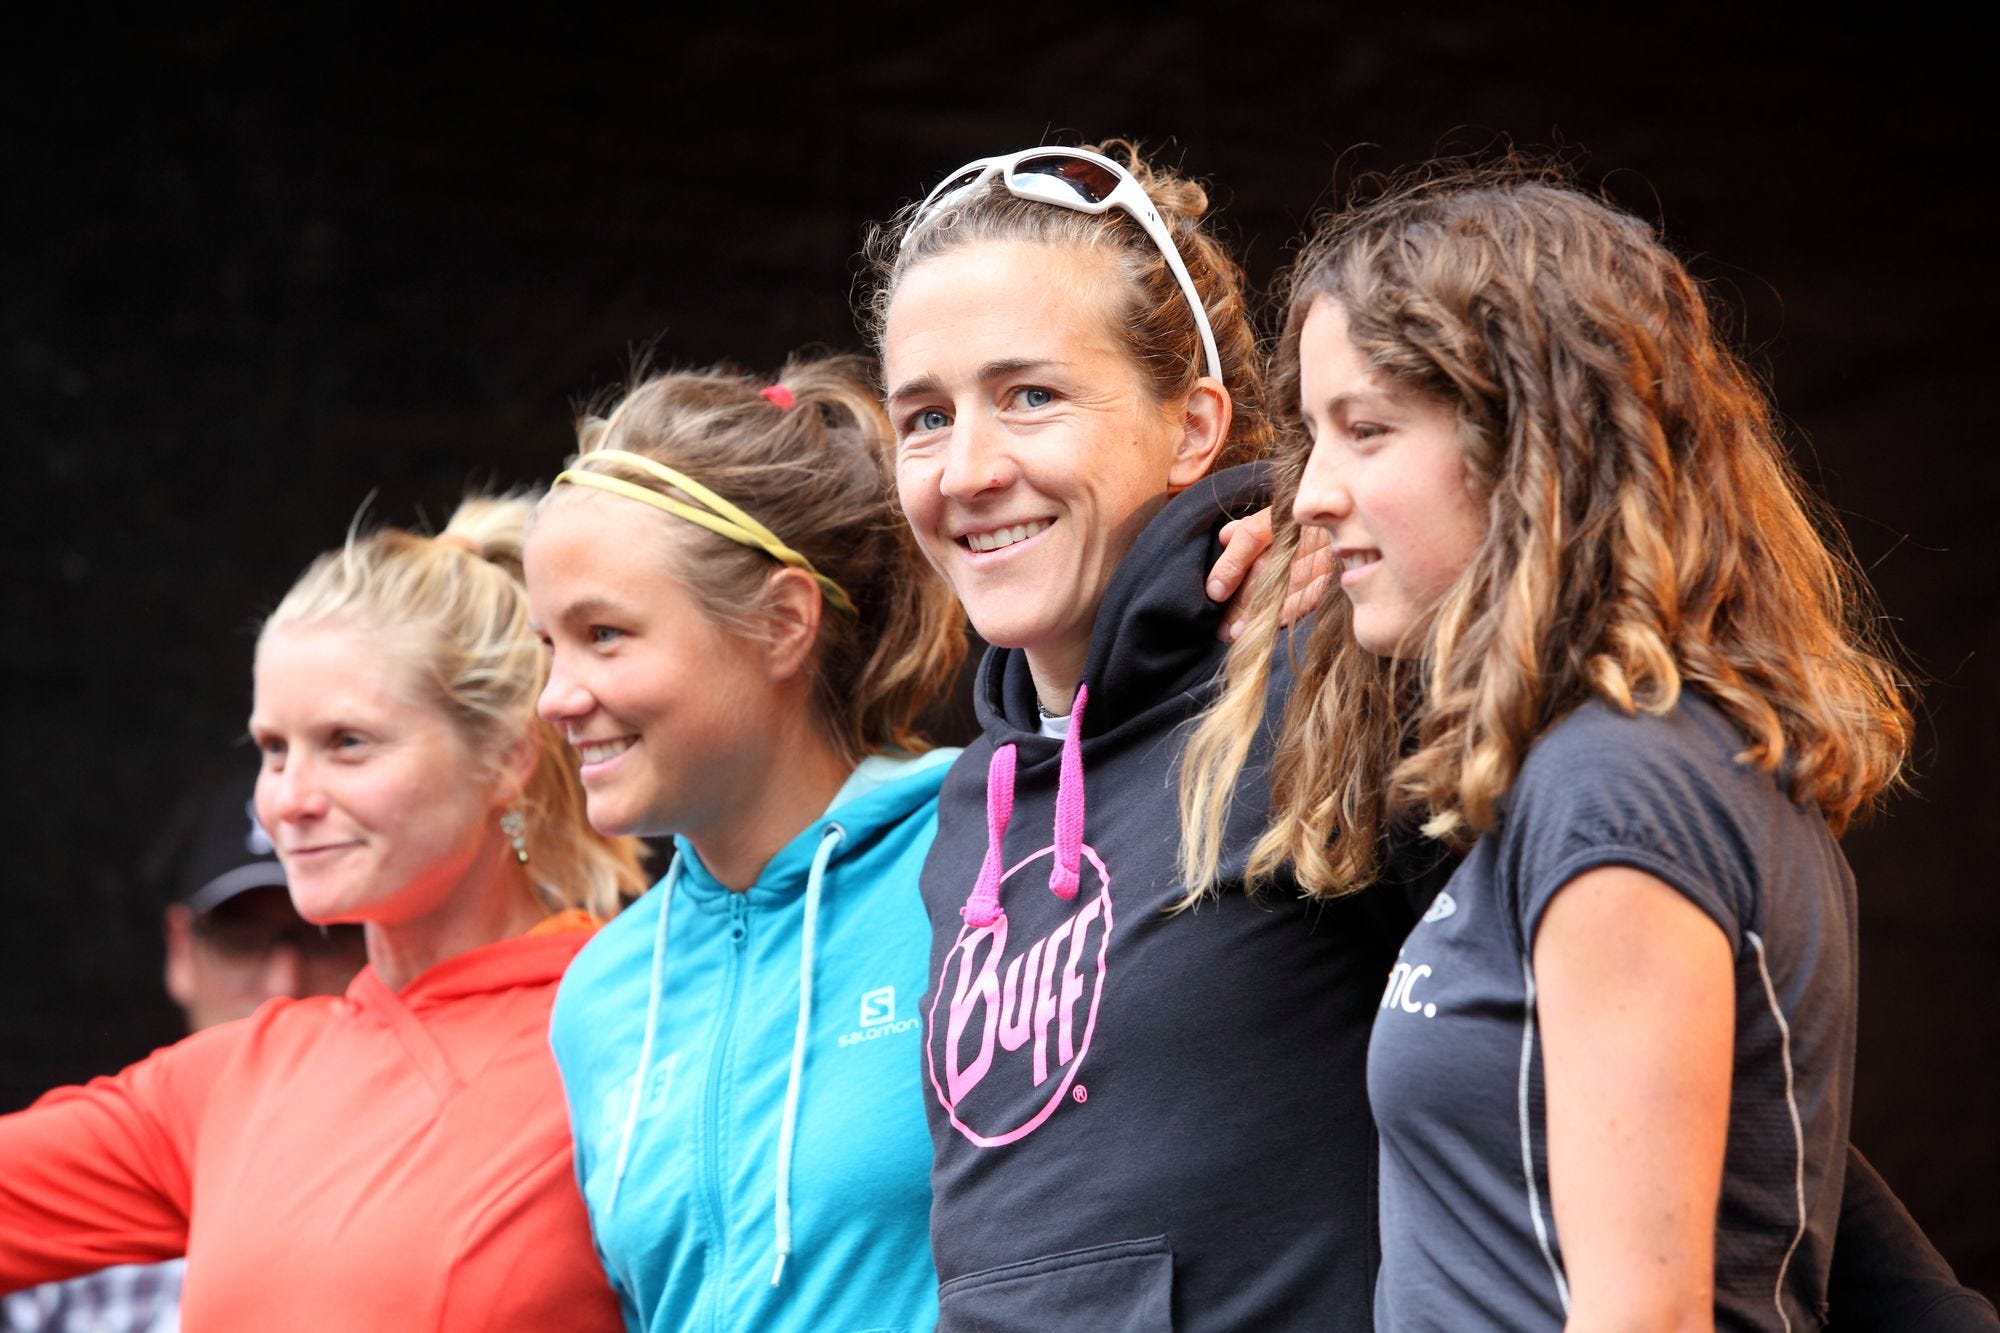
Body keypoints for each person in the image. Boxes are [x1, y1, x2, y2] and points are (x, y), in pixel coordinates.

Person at [1179, 169, 1990, 1328]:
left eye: (1365, 430)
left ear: (1530, 442)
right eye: (1313, 437)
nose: (1308, 494)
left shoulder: (1618, 783)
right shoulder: (1583, 772)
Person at [865, 140, 1409, 1328]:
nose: (966, 471)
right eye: (924, 417)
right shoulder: (972, 806)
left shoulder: (1326, 683)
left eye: (1029, 396)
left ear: (1191, 426)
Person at [0, 498, 646, 1331]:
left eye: (347, 742)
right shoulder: (236, 1075)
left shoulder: (641, 1026)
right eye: (274, 748)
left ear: (505, 757)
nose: (289, 799)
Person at [529, 355, 967, 1331]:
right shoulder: (601, 994)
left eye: (604, 634)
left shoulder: (981, 858)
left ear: (781, 622)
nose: (556, 697)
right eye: (547, 645)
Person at [3, 769, 366, 1333]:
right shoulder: (116, 1145)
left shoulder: (448, 1167)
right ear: (180, 950)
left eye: (326, 938)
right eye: (240, 942)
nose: (282, 985)